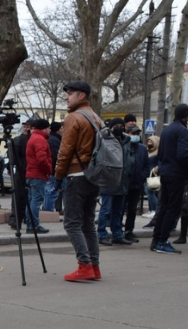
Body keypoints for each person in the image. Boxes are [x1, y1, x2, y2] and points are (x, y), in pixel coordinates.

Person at [54, 80, 102, 281]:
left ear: (81, 95)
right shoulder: (95, 116)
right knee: (88, 223)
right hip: (93, 175)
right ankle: (94, 266)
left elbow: (65, 151)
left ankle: (84, 265)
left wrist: (57, 176)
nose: (67, 97)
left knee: (72, 223)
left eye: (70, 93)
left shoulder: (74, 118)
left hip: (77, 174)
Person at [151, 103, 188, 254]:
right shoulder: (182, 131)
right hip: (177, 173)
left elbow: (160, 153)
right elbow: (183, 154)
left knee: (163, 206)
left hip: (166, 171)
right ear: (186, 116)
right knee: (173, 208)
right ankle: (162, 240)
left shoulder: (167, 130)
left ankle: (156, 240)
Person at [97, 117, 131, 246]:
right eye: (115, 125)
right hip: (109, 180)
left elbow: (129, 158)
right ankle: (102, 234)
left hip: (123, 180)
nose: (119, 127)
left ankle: (117, 234)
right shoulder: (104, 140)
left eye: (121, 125)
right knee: (105, 210)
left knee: (118, 210)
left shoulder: (126, 140)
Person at [123, 124, 150, 242]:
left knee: (132, 209)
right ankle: (118, 231)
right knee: (120, 208)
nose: (135, 136)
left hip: (137, 183)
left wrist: (143, 176)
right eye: (133, 133)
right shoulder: (124, 146)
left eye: (137, 134)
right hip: (124, 183)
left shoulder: (142, 148)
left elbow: (146, 165)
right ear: (127, 133)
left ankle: (129, 231)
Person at [24, 118, 52, 234]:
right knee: (36, 200)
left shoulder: (33, 138)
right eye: (49, 128)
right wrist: (49, 170)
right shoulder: (40, 140)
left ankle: (30, 224)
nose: (50, 130)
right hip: (38, 175)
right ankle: (34, 225)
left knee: (32, 200)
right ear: (45, 128)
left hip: (31, 173)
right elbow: (42, 159)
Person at [141, 135, 160, 227]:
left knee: (151, 193)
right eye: (148, 141)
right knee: (150, 193)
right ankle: (151, 210)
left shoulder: (158, 153)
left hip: (153, 175)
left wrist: (156, 169)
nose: (149, 143)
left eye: (151, 142)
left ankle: (155, 210)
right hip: (147, 174)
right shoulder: (147, 151)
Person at [45, 121, 62, 213]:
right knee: (51, 191)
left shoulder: (51, 139)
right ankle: (48, 211)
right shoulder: (55, 140)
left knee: (49, 191)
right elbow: (55, 156)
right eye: (61, 129)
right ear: (58, 130)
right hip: (53, 170)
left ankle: (48, 210)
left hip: (50, 169)